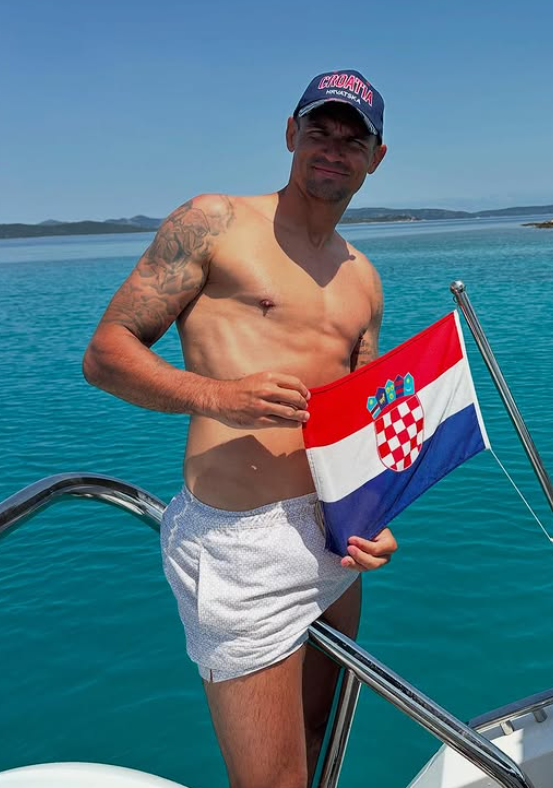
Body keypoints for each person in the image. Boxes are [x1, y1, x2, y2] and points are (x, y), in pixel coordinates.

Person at [83, 69, 397, 788]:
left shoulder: (364, 278)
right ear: (290, 134)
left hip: (333, 534)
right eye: (319, 130)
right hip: (239, 543)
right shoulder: (214, 222)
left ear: (375, 159)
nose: (333, 149)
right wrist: (218, 396)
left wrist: (374, 518)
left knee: (319, 741)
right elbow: (105, 355)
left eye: (353, 140)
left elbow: (361, 421)